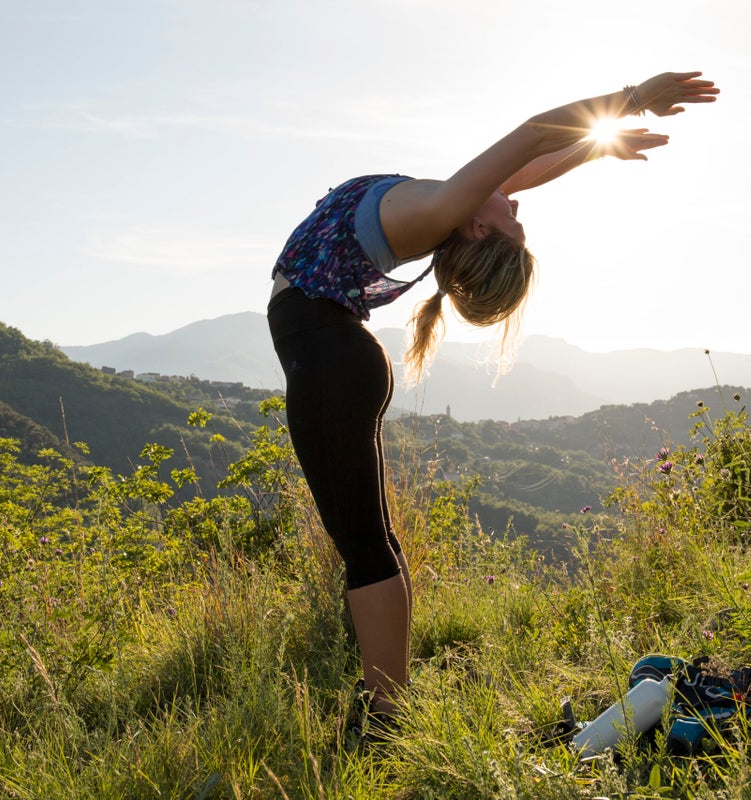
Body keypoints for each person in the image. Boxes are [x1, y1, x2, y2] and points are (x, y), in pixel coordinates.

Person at [266, 71, 719, 722]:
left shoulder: (440, 212)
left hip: (328, 358)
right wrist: (599, 143)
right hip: (335, 355)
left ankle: (386, 714)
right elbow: (524, 167)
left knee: (363, 545)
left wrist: (632, 100)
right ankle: (389, 703)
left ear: (478, 230)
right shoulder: (453, 207)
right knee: (371, 539)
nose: (518, 212)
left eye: (516, 229)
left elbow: (529, 139)